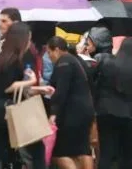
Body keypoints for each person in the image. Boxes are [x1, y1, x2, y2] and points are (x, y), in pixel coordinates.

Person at [0, 22, 51, 169]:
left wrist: (42, 89)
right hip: (5, 109)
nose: (30, 43)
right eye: (28, 39)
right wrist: (33, 81)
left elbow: (19, 89)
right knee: (37, 148)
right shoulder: (13, 61)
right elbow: (10, 87)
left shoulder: (5, 57)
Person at [95, 38, 132, 169]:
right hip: (129, 115)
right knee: (128, 154)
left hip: (105, 112)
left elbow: (97, 84)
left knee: (106, 152)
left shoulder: (107, 63)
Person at [47, 37, 95, 169]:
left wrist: (54, 113)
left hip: (72, 114)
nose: (49, 57)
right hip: (86, 111)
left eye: (49, 53)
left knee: (59, 153)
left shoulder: (63, 63)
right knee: (83, 150)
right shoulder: (76, 60)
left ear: (56, 50)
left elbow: (62, 91)